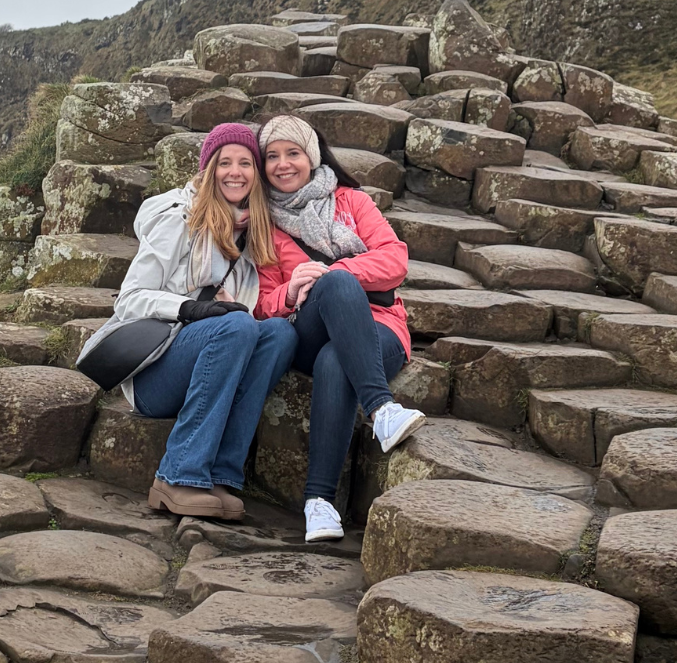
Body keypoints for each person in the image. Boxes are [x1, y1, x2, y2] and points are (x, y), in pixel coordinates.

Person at [81, 122, 297, 521]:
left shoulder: (252, 237)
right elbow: (129, 299)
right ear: (209, 169)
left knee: (280, 334)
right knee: (237, 326)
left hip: (212, 361)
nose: (236, 172)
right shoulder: (180, 219)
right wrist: (189, 308)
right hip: (153, 372)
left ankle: (219, 477)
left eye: (246, 163)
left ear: (257, 174)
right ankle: (178, 475)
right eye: (225, 162)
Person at [255, 115, 425, 542]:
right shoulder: (261, 222)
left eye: (292, 153)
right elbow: (259, 303)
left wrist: (337, 272)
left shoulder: (352, 203)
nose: (283, 164)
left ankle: (319, 503)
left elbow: (395, 260)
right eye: (272, 156)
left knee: (337, 357)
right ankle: (382, 407)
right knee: (331, 298)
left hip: (378, 326)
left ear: (311, 157)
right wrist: (292, 292)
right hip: (305, 328)